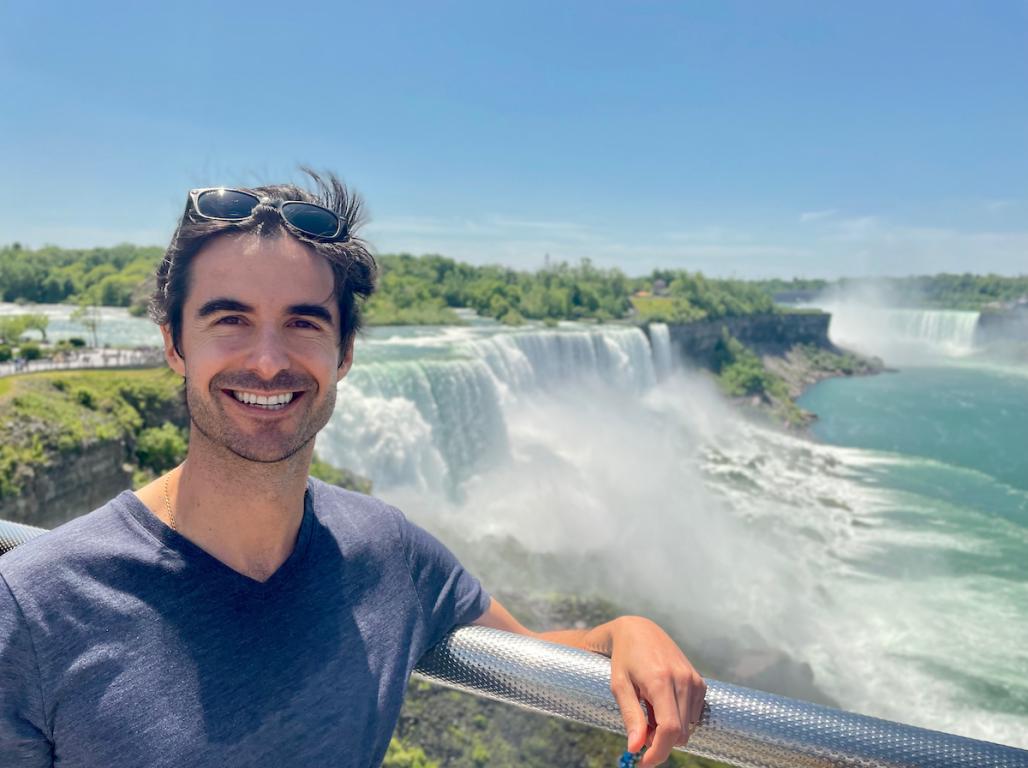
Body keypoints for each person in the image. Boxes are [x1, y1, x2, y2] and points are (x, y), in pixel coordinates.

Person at [0, 171, 705, 767]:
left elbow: (535, 657)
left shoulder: (390, 553)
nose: (270, 361)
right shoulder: (33, 609)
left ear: (345, 353)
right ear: (174, 344)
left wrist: (620, 634)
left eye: (304, 322)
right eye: (230, 320)